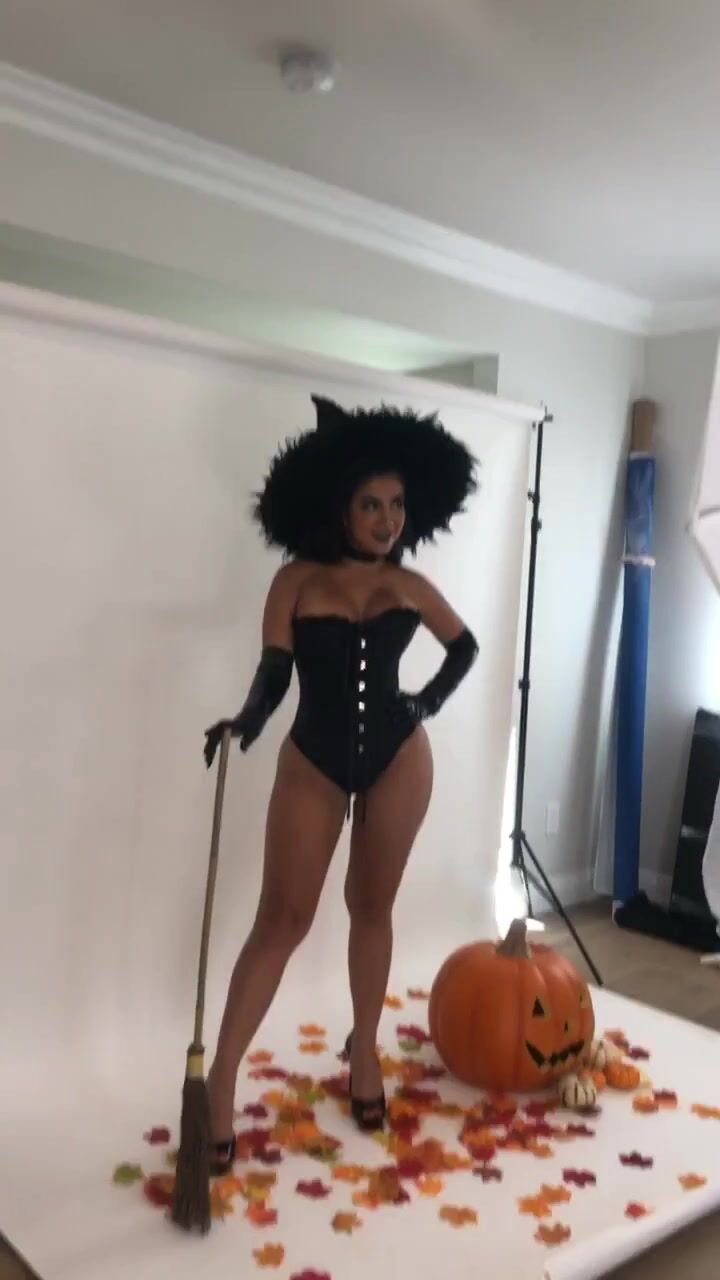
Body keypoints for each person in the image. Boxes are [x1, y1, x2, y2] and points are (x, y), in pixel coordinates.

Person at [202, 395, 479, 1173]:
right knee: (282, 919)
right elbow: (274, 674)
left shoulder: (411, 585)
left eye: (396, 504)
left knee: (372, 908)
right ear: (339, 508)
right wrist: (244, 722)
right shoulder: (295, 580)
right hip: (314, 758)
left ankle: (365, 1053)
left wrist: (423, 704)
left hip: (398, 757)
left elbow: (464, 649)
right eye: (371, 505)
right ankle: (220, 1078)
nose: (388, 520)